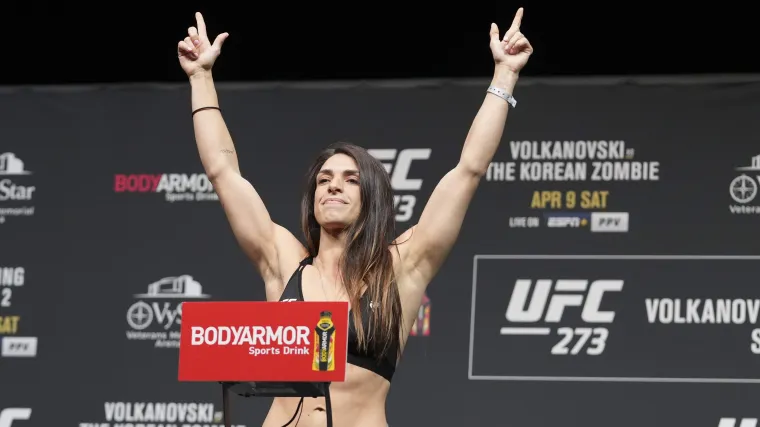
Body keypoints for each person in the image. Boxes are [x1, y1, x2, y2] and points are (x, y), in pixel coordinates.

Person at [177, 9, 532, 427]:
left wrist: (504, 76)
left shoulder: (401, 267)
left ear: (371, 198)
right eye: (324, 179)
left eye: (350, 180)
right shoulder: (284, 262)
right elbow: (224, 174)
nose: (333, 186)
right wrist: (201, 78)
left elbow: (468, 171)